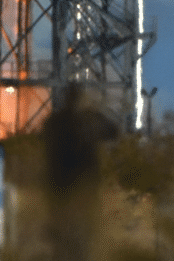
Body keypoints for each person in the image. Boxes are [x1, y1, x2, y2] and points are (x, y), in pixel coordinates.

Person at [42, 84, 118, 261]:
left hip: (58, 185)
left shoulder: (54, 121)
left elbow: (45, 142)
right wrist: (98, 110)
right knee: (84, 232)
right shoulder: (91, 120)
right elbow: (113, 132)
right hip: (85, 184)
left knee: (61, 231)